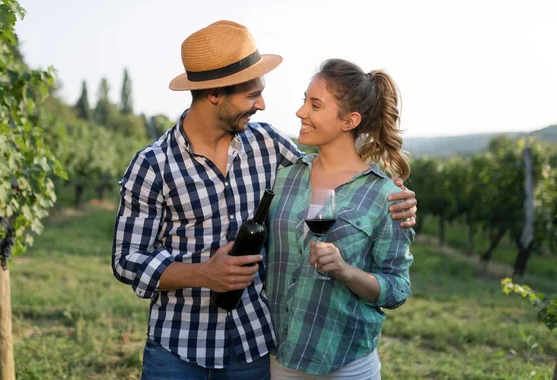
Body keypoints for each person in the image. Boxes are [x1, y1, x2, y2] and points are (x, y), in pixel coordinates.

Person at [111, 21, 417, 380]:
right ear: (214, 94)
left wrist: (395, 193)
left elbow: (335, 165)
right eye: (251, 94)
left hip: (252, 347)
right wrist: (204, 274)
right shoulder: (153, 164)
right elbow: (126, 260)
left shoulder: (267, 145)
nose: (262, 104)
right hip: (177, 350)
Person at [266, 59, 415, 379]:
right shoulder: (284, 178)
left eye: (315, 104)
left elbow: (397, 288)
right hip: (278, 360)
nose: (301, 112)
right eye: (304, 100)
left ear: (349, 120)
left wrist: (344, 271)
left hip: (346, 365)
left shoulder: (385, 195)